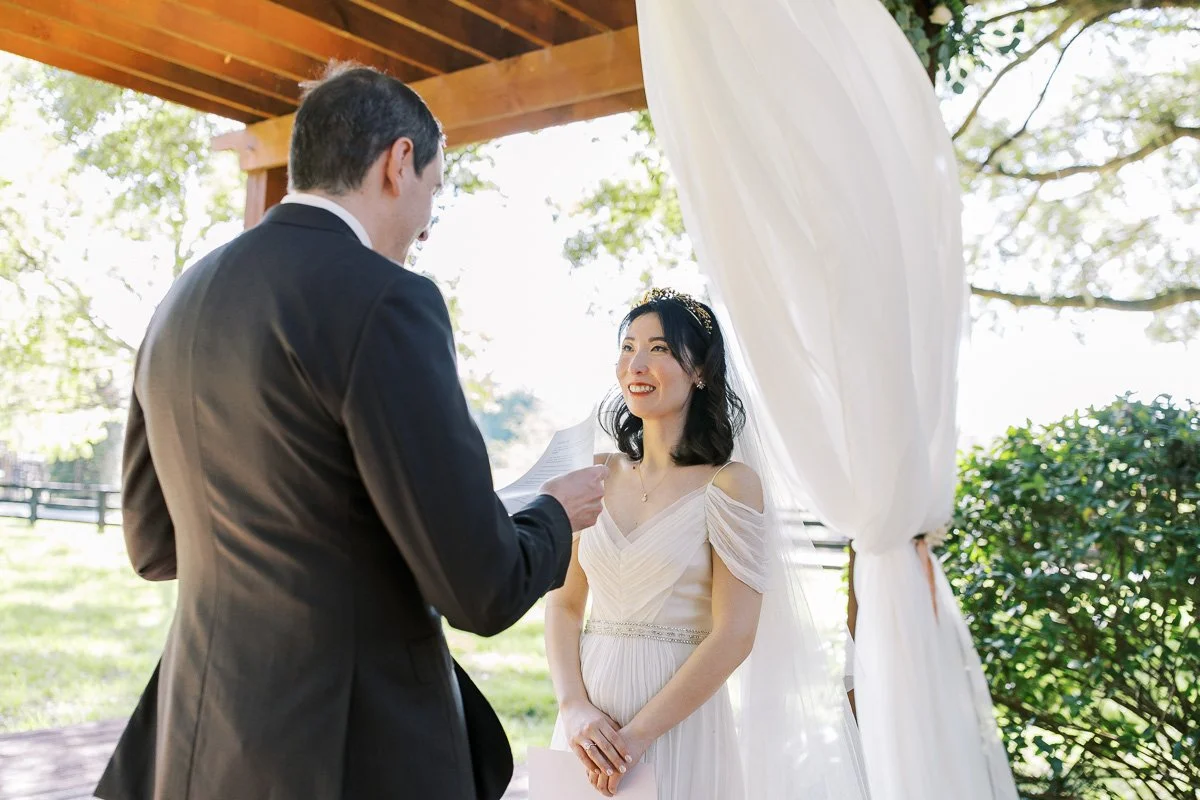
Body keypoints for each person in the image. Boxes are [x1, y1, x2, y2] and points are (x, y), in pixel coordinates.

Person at [96, 63, 607, 800]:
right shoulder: (388, 300)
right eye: (434, 191)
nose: (426, 224)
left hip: (196, 743)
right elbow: (481, 588)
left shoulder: (183, 299)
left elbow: (153, 545)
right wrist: (553, 513)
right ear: (398, 162)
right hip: (344, 752)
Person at [545, 288, 869, 799]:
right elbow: (564, 604)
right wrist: (573, 708)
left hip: (678, 727)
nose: (636, 364)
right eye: (628, 347)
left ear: (699, 371)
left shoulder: (730, 484)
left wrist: (637, 738)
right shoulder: (594, 475)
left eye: (659, 348)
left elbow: (734, 634)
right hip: (588, 729)